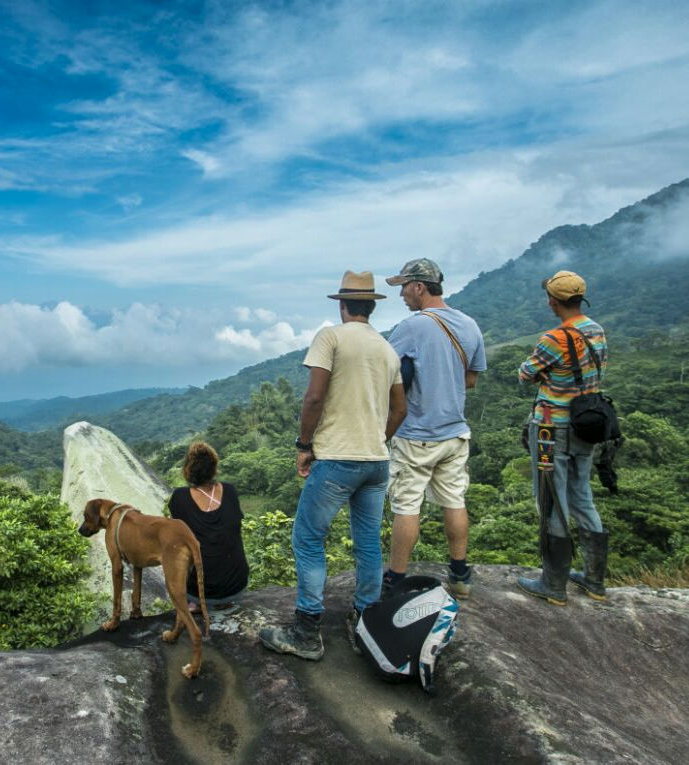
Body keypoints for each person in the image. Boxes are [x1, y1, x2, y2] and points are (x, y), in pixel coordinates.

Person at [259, 270, 406, 661]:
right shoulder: (387, 349)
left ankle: (307, 632)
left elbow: (314, 398)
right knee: (368, 542)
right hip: (376, 462)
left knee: (308, 538)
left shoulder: (331, 337)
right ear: (371, 306)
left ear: (342, 305)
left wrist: (304, 445)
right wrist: (377, 439)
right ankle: (366, 621)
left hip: (337, 459)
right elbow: (400, 409)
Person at [381, 258, 487, 599]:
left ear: (419, 286)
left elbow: (384, 374)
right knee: (454, 500)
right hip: (455, 432)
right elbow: (471, 380)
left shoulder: (412, 327)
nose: (401, 295)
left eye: (403, 287)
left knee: (407, 505)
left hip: (417, 434)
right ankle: (460, 574)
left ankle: (396, 579)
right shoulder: (469, 325)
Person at [517, 270, 609, 605]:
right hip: (586, 424)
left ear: (553, 301)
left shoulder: (553, 338)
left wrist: (546, 374)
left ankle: (553, 584)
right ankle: (595, 580)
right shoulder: (596, 330)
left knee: (551, 500)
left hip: (550, 429)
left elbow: (525, 372)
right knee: (582, 496)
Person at [168, 441, 248, 611]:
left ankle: (196, 602)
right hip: (236, 583)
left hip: (202, 589)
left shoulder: (180, 497)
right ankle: (221, 601)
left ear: (188, 469)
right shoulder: (230, 490)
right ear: (214, 467)